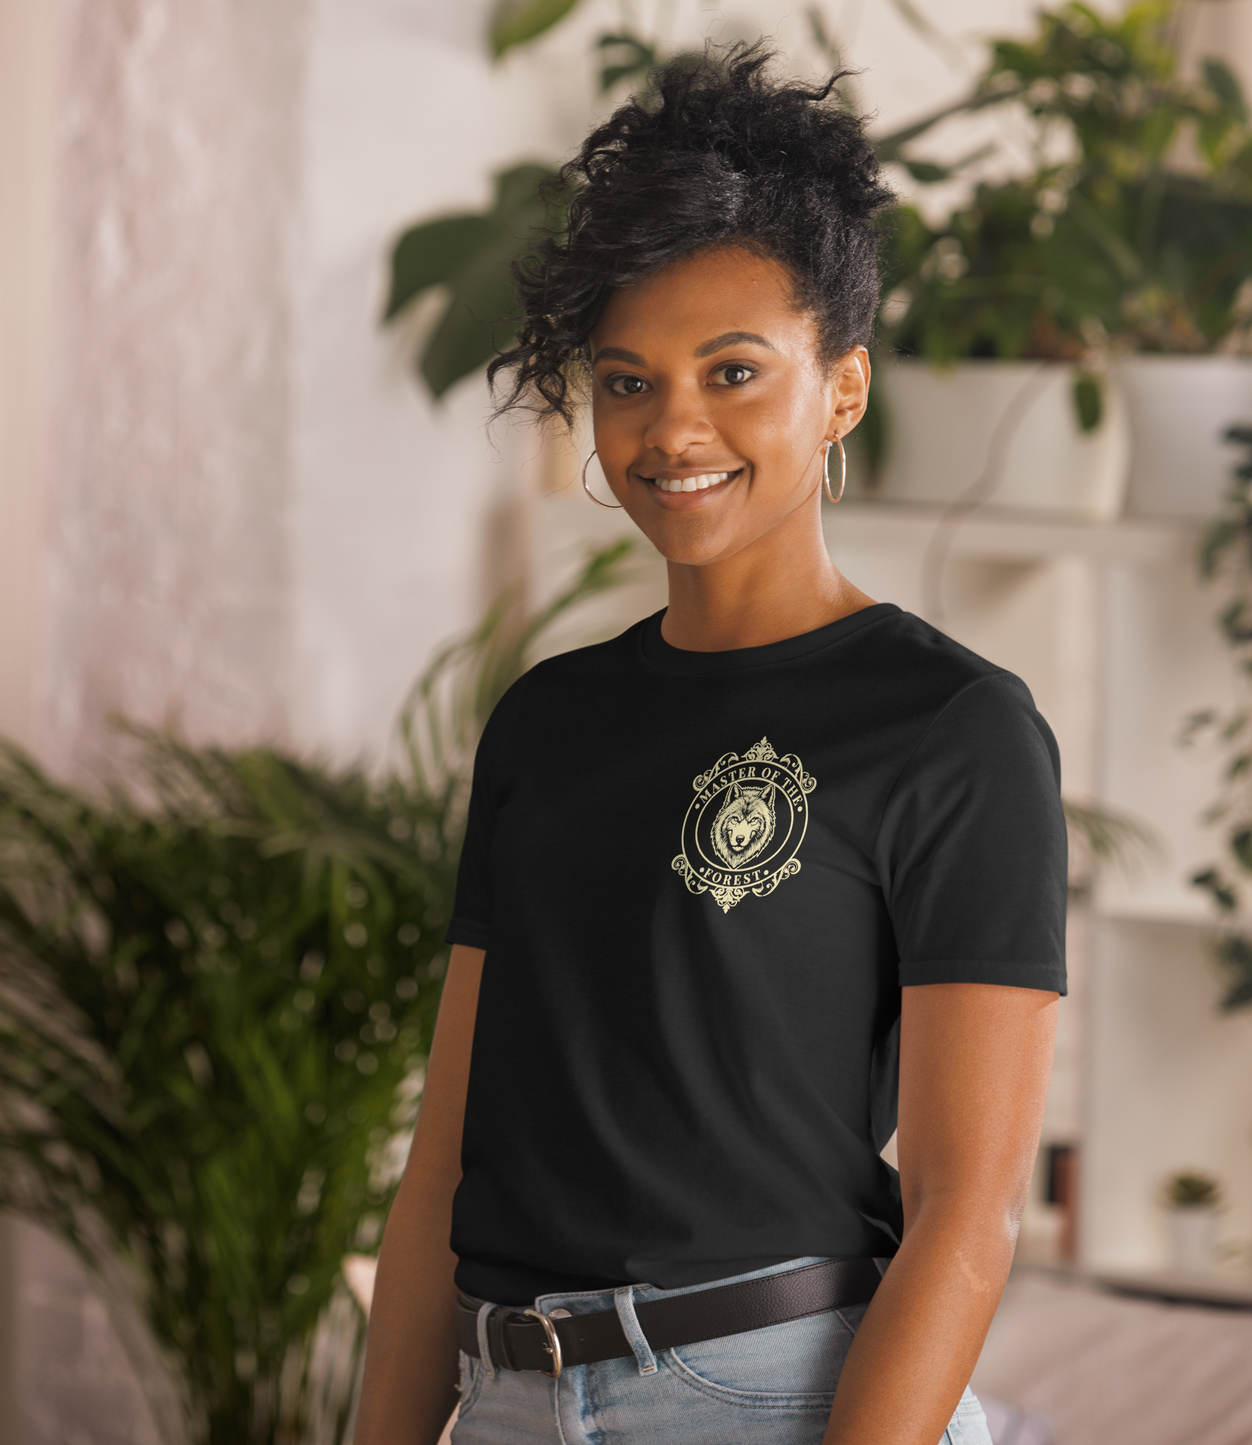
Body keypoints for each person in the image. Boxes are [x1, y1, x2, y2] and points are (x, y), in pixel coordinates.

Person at [353, 44, 1065, 1445]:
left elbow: (966, 1211)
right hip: (507, 1400)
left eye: (733, 372)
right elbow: (446, 1164)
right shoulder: (547, 722)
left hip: (776, 1397)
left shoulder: (949, 727)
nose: (672, 429)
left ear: (842, 388)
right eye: (627, 382)